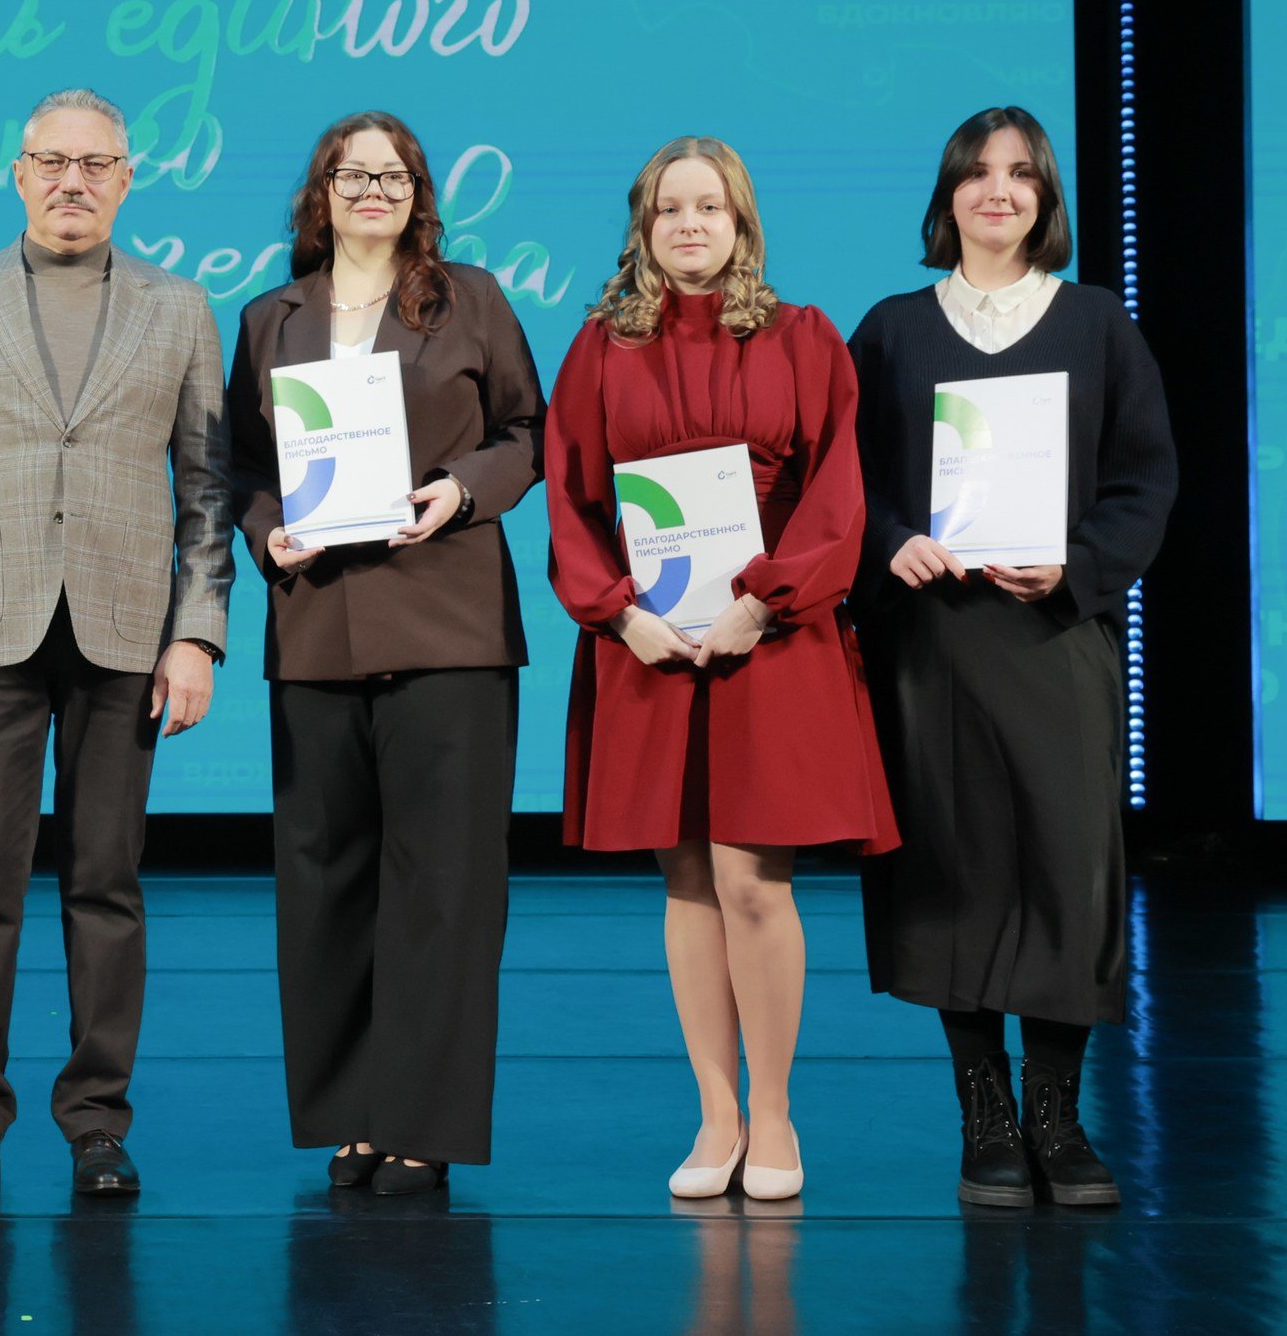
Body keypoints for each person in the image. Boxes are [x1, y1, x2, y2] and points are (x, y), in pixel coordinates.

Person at [0, 87, 234, 1197]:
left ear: (127, 178)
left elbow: (208, 486)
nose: (72, 181)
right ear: (18, 173)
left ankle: (96, 1123)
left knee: (105, 884)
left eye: (95, 164)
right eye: (52, 162)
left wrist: (198, 635)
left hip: (128, 628)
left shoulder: (181, 306)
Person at [545, 136, 898, 1203]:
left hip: (771, 636)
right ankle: (715, 1111)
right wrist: (619, 615)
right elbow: (570, 496)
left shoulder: (802, 336)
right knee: (687, 880)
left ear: (742, 222)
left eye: (709, 207)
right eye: (669, 209)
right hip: (651, 644)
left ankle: (775, 1111)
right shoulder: (601, 347)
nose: (689, 224)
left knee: (753, 877)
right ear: (643, 228)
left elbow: (838, 493)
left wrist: (762, 602)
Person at [850, 106, 1176, 1207]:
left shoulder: (1095, 323)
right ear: (947, 195)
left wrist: (1076, 566)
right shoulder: (893, 329)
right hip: (931, 645)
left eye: (1023, 173)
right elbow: (845, 482)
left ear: (1046, 197)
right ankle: (984, 1116)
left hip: (1057, 636)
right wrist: (890, 541)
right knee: (954, 869)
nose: (1000, 190)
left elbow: (1145, 480)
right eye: (978, 172)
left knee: (1064, 869)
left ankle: (1058, 1117)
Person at [225, 112, 544, 1195]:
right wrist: (267, 528)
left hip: (449, 622)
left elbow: (526, 434)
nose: (373, 188)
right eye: (351, 173)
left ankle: (424, 1120)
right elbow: (243, 465)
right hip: (318, 624)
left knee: (444, 884)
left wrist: (460, 489)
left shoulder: (472, 299)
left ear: (419, 193)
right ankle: (354, 1113)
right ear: (320, 192)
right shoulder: (269, 319)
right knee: (326, 883)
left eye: (393, 173)